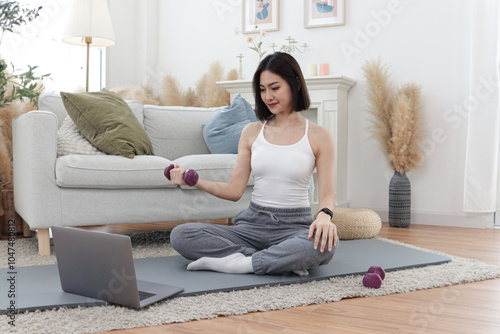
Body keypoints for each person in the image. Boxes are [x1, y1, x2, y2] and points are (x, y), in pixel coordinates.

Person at [169, 52, 338, 276]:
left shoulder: (319, 135)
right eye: (262, 89)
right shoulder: (252, 131)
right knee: (181, 235)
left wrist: (325, 216)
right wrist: (196, 181)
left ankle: (240, 263)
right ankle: (279, 260)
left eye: (275, 87)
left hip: (294, 226)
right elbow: (234, 191)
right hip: (251, 225)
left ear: (295, 83)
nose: (268, 96)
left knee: (324, 245)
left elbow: (327, 194)